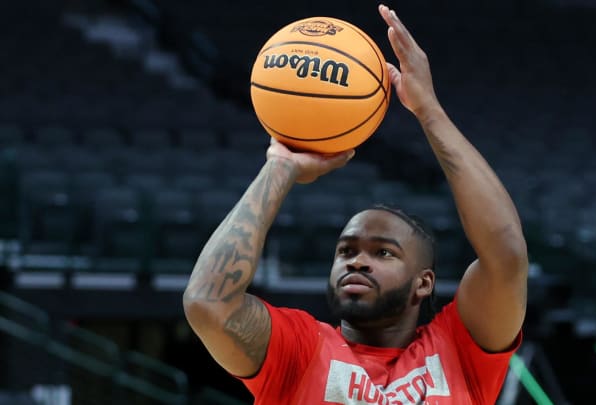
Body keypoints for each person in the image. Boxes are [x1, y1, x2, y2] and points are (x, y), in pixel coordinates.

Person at [183, 4, 528, 404]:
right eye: (346, 250)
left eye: (383, 252)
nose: (356, 261)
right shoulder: (297, 349)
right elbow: (207, 304)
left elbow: (506, 255)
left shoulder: (459, 348)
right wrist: (280, 166)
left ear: (424, 283)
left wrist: (428, 110)